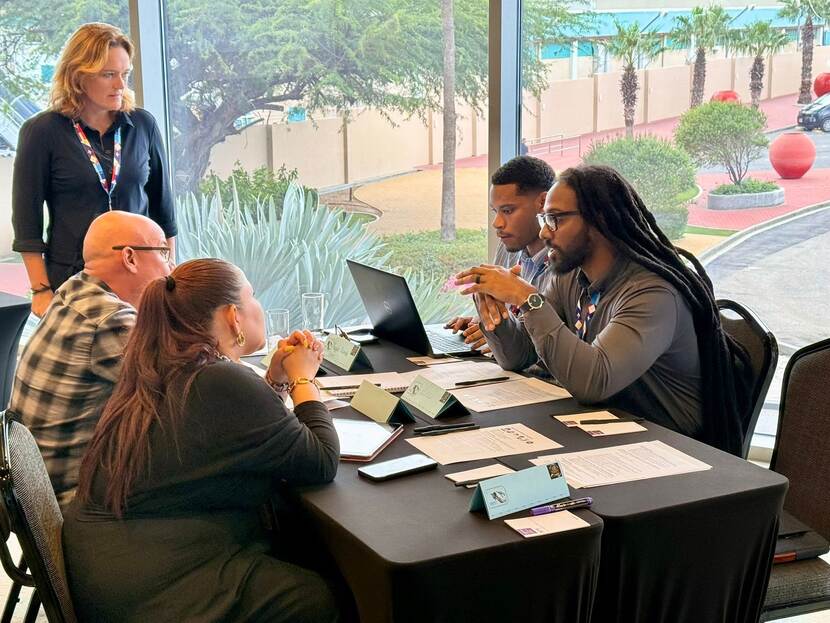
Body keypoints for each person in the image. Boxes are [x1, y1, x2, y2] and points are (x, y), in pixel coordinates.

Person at [64, 258, 340, 623]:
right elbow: (320, 461)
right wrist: (304, 380)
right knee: (315, 596)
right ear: (232, 317)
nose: (257, 306)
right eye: (251, 297)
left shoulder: (162, 365)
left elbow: (238, 431)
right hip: (161, 588)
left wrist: (275, 377)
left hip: (115, 566)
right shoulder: (219, 380)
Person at [455, 164, 750, 455]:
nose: (544, 233)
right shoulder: (570, 276)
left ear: (598, 221)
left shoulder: (653, 294)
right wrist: (494, 313)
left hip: (669, 450)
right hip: (607, 435)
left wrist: (527, 298)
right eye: (545, 218)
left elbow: (593, 381)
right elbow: (519, 356)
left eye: (555, 219)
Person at [7, 211, 172, 509]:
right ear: (130, 258)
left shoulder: (73, 290)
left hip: (35, 493)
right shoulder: (111, 320)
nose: (170, 267)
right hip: (73, 503)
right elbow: (189, 395)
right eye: (164, 252)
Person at [11, 22, 176, 316]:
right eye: (108, 75)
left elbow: (163, 213)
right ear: (78, 76)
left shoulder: (143, 125)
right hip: (72, 281)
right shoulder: (42, 131)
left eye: (124, 74)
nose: (120, 85)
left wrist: (169, 279)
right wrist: (40, 290)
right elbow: (27, 221)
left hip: (139, 280)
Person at [445, 155, 555, 352]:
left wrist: (499, 336)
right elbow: (511, 319)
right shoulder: (508, 249)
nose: (497, 223)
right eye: (495, 211)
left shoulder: (566, 261)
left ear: (543, 202)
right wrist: (484, 323)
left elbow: (552, 337)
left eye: (507, 211)